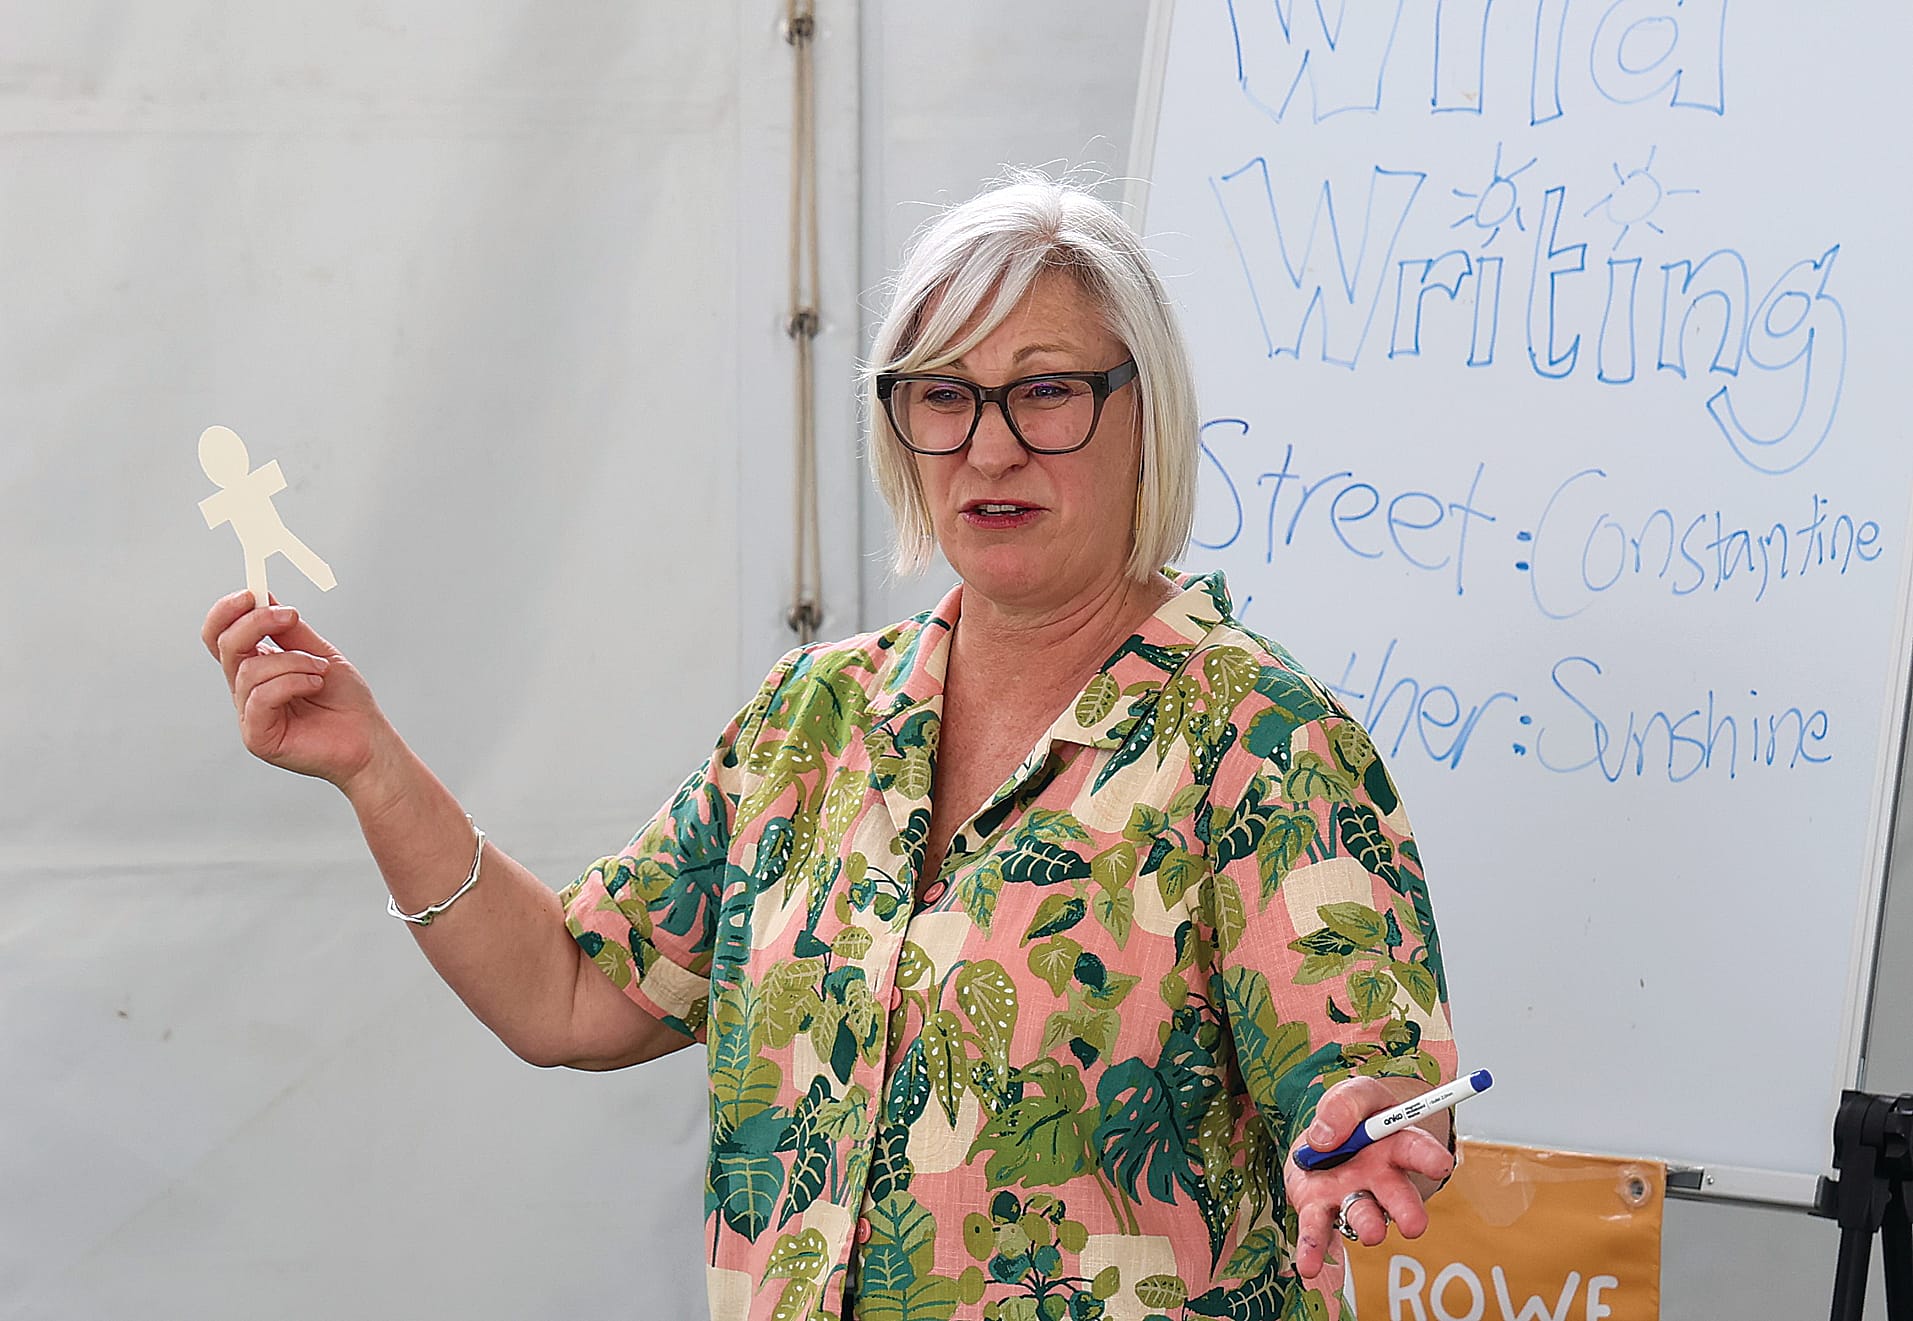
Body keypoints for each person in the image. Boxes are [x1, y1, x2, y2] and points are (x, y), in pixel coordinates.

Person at [203, 172, 1458, 1321]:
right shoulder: (814, 719)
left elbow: (1359, 1078)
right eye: (942, 396)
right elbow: (569, 992)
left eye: (1045, 390)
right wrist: (370, 764)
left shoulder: (1258, 740)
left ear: (1146, 409)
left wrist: (1358, 1128)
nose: (990, 443)